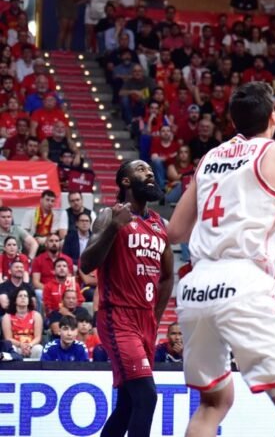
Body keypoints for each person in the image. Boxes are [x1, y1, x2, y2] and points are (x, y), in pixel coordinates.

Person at [168, 81, 275, 437]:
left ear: (234, 122)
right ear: (274, 118)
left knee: (212, 404)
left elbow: (175, 231)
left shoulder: (210, 159)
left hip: (196, 286)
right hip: (244, 281)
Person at [80, 160, 174, 437]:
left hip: (145, 320)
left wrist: (155, 317)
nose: (149, 173)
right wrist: (113, 229)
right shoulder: (110, 215)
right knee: (147, 397)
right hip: (117, 316)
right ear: (125, 181)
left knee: (127, 405)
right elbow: (86, 264)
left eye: (150, 170)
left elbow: (168, 276)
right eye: (141, 169)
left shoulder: (160, 224)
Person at [0, 286, 42, 359]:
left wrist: (29, 345)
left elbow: (38, 337)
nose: (23, 298)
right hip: (16, 346)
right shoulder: (7, 317)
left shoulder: (36, 315)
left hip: (31, 346)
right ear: (15, 300)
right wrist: (20, 345)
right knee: (11, 348)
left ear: (29, 300)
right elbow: (8, 338)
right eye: (20, 296)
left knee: (39, 349)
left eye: (25, 296)